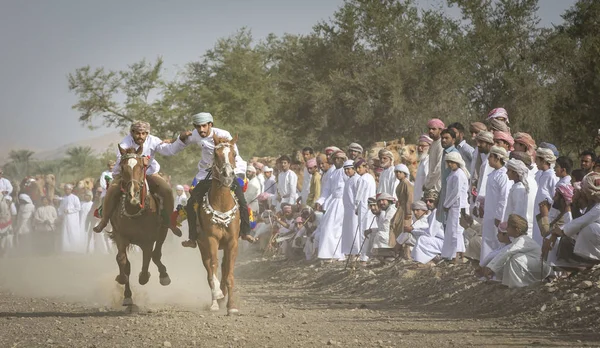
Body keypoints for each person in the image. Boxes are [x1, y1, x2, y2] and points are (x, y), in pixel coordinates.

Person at [93, 120, 187, 236]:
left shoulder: (153, 140)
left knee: (167, 190)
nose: (140, 136)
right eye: (137, 133)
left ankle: (169, 222)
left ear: (147, 133)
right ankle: (104, 220)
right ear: (132, 132)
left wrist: (180, 140)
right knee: (112, 190)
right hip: (129, 175)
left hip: (150, 172)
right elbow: (120, 159)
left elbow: (169, 151)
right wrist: (119, 174)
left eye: (144, 133)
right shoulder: (125, 143)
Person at [180, 113, 254, 247]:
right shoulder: (197, 135)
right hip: (209, 175)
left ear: (210, 125)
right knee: (191, 204)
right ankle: (192, 238)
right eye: (198, 126)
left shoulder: (225, 135)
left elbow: (234, 157)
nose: (201, 129)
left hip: (230, 174)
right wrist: (177, 138)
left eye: (204, 126)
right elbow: (183, 141)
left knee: (242, 201)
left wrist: (238, 174)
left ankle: (245, 232)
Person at [483, 214, 551, 288]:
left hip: (542, 268)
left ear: (517, 230)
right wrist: (491, 267)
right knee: (506, 260)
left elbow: (508, 252)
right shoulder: (517, 240)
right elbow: (503, 253)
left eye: (509, 226)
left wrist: (492, 269)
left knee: (515, 258)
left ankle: (520, 285)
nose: (507, 228)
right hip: (535, 267)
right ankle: (508, 283)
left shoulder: (523, 240)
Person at [480, 146, 512, 265]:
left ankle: (495, 270)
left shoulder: (503, 175)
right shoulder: (493, 174)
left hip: (498, 217)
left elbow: (504, 198)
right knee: (488, 241)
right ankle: (486, 267)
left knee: (498, 241)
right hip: (489, 214)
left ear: (498, 158)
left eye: (491, 156)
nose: (488, 159)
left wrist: (499, 217)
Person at [316, 151, 347, 261]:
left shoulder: (345, 171)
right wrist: (320, 201)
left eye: (340, 159)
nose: (338, 161)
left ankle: (338, 254)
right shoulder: (332, 173)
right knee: (328, 226)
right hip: (333, 202)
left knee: (338, 228)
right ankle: (329, 253)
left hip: (343, 202)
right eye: (335, 159)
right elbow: (327, 190)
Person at [441, 152, 469, 262]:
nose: (450, 164)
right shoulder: (453, 174)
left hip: (458, 207)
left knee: (456, 232)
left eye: (452, 162)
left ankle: (456, 258)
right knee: (453, 232)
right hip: (453, 207)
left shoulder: (459, 174)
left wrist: (446, 204)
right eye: (449, 162)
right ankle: (456, 256)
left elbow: (456, 193)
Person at [533, 147, 559, 245]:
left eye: (537, 160)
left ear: (543, 161)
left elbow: (555, 198)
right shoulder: (541, 175)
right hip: (538, 216)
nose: (535, 162)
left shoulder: (552, 176)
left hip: (547, 218)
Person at [411, 190, 445, 265]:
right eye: (426, 201)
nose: (428, 203)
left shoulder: (437, 212)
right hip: (440, 242)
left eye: (431, 201)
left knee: (423, 239)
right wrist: (414, 230)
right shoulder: (433, 212)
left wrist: (414, 231)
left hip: (444, 243)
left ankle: (422, 262)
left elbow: (430, 234)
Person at [354, 159, 377, 262]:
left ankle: (364, 256)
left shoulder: (362, 179)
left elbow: (358, 196)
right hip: (371, 205)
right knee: (369, 229)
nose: (358, 170)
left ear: (365, 167)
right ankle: (368, 254)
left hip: (363, 205)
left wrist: (356, 207)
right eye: (357, 168)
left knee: (363, 230)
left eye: (360, 167)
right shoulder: (371, 178)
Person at [341, 160, 360, 256]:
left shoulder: (357, 179)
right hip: (347, 210)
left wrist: (356, 208)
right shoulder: (348, 180)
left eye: (349, 169)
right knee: (348, 231)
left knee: (354, 231)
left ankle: (357, 251)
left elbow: (357, 195)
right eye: (345, 169)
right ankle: (350, 252)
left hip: (354, 209)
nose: (347, 171)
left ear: (354, 169)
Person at [391, 164, 413, 246]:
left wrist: (408, 212)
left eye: (400, 172)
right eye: (396, 172)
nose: (398, 174)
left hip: (405, 210)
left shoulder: (406, 183)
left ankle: (405, 253)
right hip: (400, 209)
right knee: (396, 227)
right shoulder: (400, 183)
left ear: (405, 173)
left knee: (403, 230)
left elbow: (409, 198)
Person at [58, 184, 82, 253]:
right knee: (65, 232)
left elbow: (78, 208)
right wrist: (60, 214)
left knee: (73, 232)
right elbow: (61, 208)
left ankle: (75, 248)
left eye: (68, 189)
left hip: (73, 218)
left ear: (71, 190)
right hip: (65, 218)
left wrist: (69, 211)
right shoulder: (63, 198)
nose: (66, 190)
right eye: (65, 189)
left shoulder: (75, 198)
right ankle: (67, 249)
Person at [423, 118, 445, 193]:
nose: (430, 131)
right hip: (431, 185)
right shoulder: (433, 143)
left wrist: (428, 184)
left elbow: (439, 168)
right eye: (429, 129)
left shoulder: (441, 144)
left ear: (440, 130)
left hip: (438, 186)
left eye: (433, 129)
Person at [413, 135, 432, 202]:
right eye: (419, 146)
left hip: (424, 201)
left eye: (423, 146)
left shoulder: (429, 161)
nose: (420, 148)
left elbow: (428, 182)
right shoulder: (422, 161)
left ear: (430, 147)